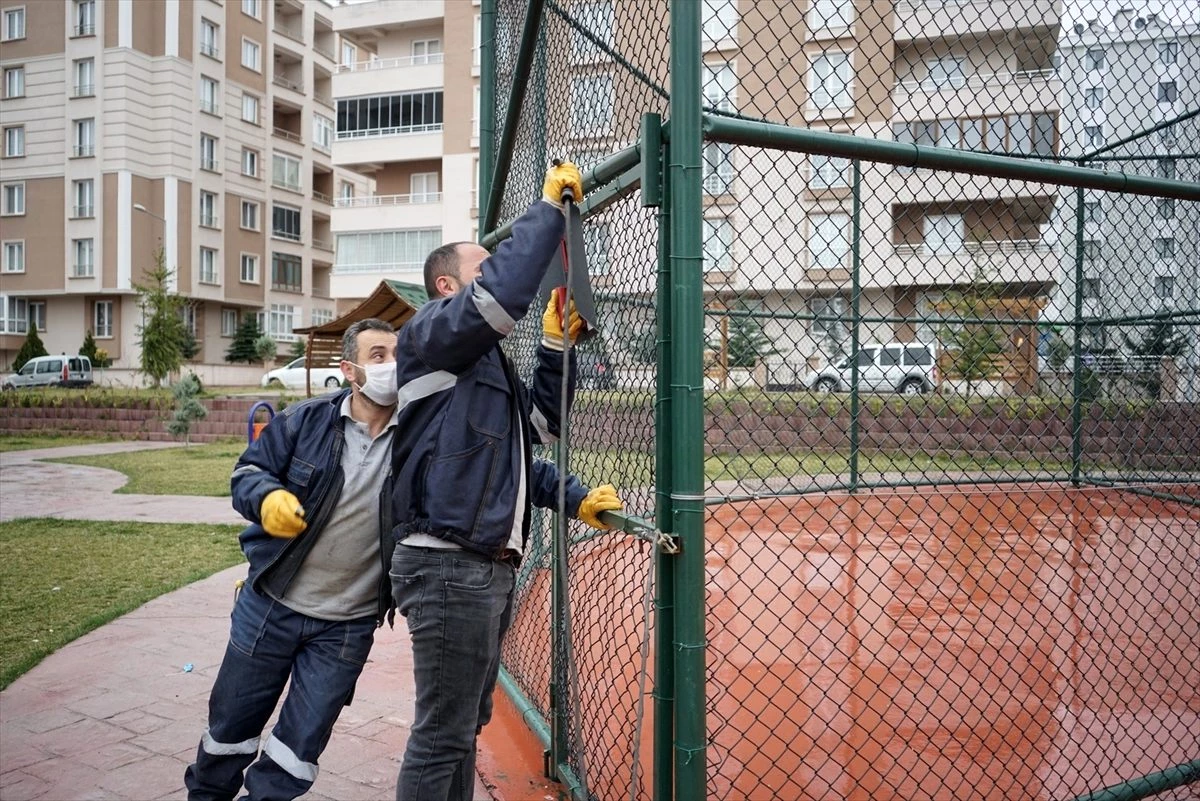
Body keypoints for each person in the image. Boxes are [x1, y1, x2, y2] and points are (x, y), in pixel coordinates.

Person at [388, 161, 624, 801]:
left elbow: (537, 433)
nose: (492, 268)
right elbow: (498, 297)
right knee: (444, 733)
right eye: (479, 263)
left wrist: (554, 349)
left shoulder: (481, 364)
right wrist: (546, 214)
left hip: (481, 564)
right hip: (450, 562)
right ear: (446, 286)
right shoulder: (430, 333)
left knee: (464, 726)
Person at [185, 318, 401, 801]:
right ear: (350, 369)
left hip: (345, 628)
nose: (393, 365)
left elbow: (500, 460)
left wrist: (571, 495)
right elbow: (249, 471)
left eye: (398, 354)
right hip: (271, 609)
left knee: (294, 756)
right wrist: (265, 499)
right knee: (228, 734)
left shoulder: (421, 435)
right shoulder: (306, 420)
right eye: (379, 355)